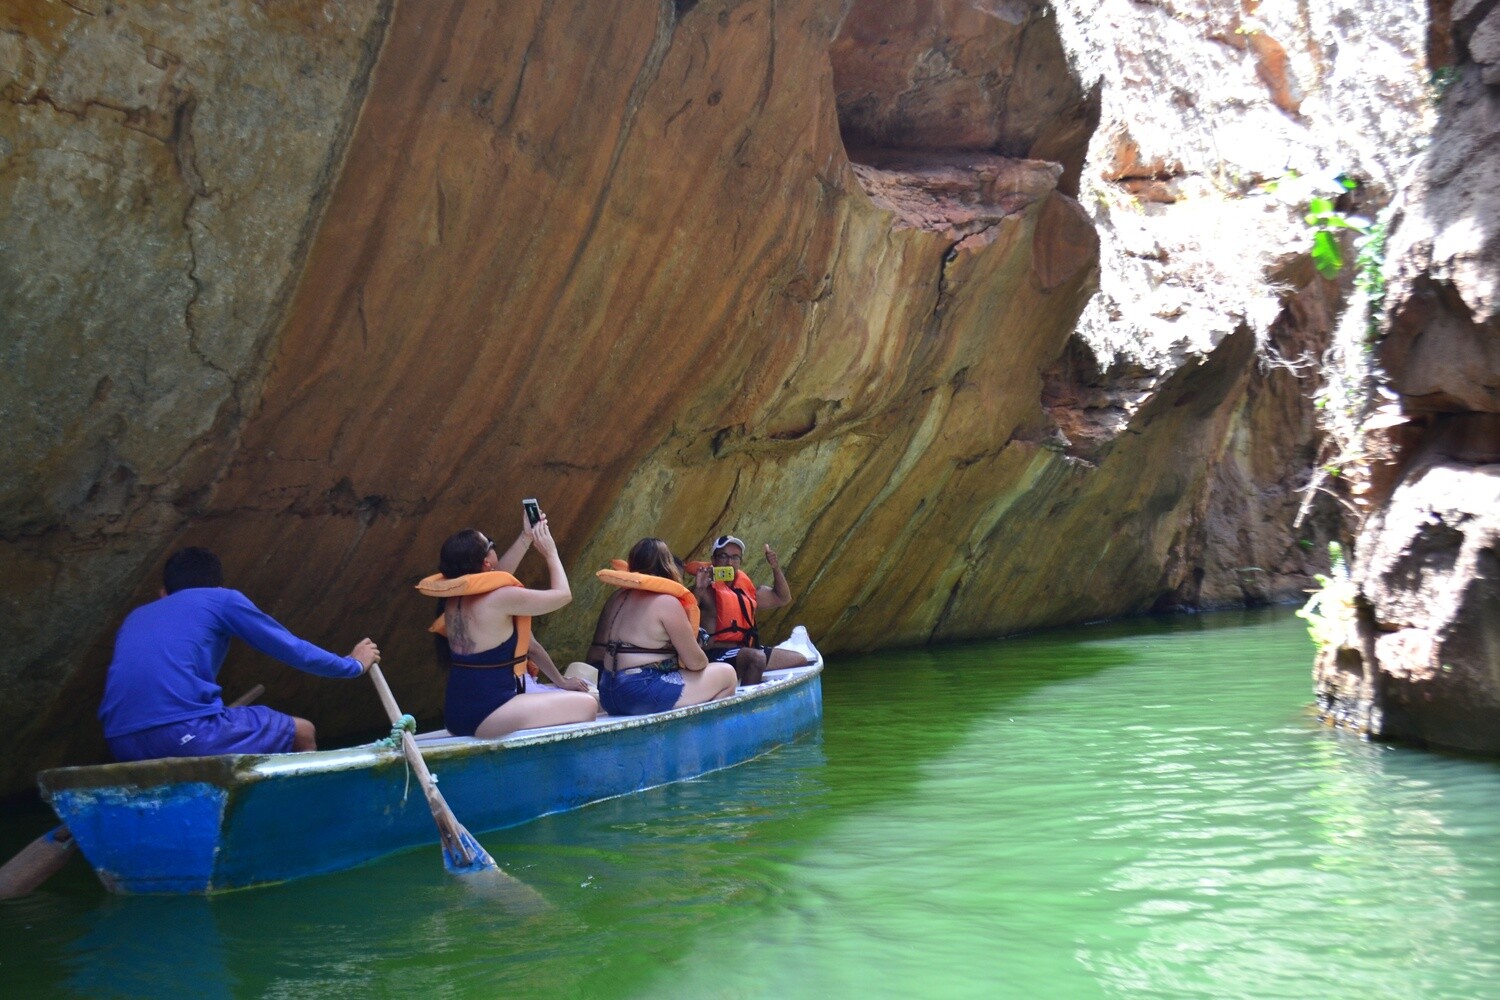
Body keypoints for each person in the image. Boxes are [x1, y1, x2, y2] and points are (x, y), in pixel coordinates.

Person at [99, 547, 380, 762]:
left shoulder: (136, 616)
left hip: (122, 742)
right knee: (302, 733)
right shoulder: (221, 599)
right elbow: (294, 650)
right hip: (185, 733)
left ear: (163, 593)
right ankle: (293, 823)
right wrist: (353, 665)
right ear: (217, 586)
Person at [420, 511, 597, 739]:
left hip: (456, 713)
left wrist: (526, 536)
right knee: (587, 705)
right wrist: (550, 552)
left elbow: (497, 574)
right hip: (489, 714)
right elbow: (562, 596)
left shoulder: (452, 599)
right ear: (486, 562)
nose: (495, 547)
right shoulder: (500, 599)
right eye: (491, 543)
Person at [577, 537, 736, 716]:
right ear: (667, 565)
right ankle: (700, 739)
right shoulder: (666, 602)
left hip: (608, 690)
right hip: (639, 691)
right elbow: (696, 663)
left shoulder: (617, 598)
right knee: (727, 674)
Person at [693, 534, 808, 685]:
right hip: (716, 654)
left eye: (735, 557)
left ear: (740, 561)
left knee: (799, 660)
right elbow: (685, 613)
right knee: (757, 658)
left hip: (745, 651)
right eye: (723, 556)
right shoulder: (704, 590)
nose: (729, 562)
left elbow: (783, 598)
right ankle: (745, 701)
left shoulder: (746, 590)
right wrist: (699, 589)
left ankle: (750, 675)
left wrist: (775, 567)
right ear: (714, 560)